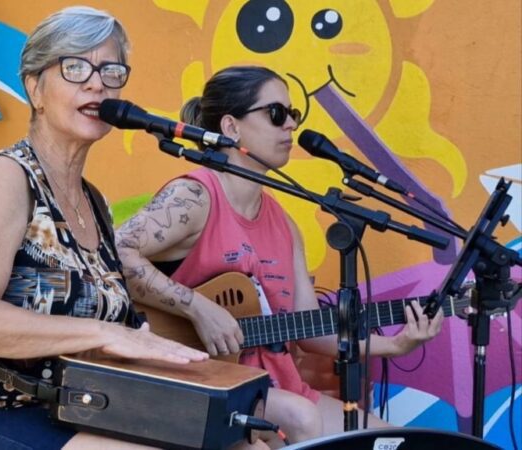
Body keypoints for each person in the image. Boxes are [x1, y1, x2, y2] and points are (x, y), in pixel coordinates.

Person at [0, 7, 269, 450]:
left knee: (241, 442)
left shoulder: (95, 201)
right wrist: (108, 333)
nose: (97, 83)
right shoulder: (6, 177)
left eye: (111, 70)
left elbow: (115, 329)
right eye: (75, 66)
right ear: (35, 88)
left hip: (84, 404)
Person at [115, 66, 445, 448]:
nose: (290, 125)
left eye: (294, 114)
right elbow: (115, 252)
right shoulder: (194, 197)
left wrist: (396, 344)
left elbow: (309, 330)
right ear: (231, 127)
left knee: (397, 445)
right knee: (300, 418)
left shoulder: (285, 225)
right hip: (204, 384)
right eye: (276, 114)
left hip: (277, 386)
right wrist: (198, 309)